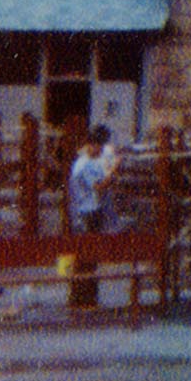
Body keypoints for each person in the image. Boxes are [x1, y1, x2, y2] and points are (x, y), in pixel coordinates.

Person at [68, 126, 118, 307]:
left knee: (89, 258)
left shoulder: (90, 161)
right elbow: (99, 186)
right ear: (92, 145)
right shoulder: (84, 164)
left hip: (90, 210)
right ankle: (82, 298)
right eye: (99, 146)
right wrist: (113, 171)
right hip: (87, 212)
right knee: (86, 257)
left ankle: (88, 296)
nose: (101, 150)